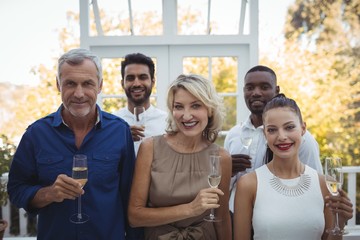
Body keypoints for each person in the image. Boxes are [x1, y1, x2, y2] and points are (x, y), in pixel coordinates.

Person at [7, 48, 142, 239]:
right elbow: (16, 189)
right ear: (58, 85)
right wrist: (49, 193)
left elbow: (130, 196)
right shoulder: (36, 134)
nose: (79, 94)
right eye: (70, 84)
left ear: (100, 85)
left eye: (87, 84)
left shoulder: (120, 131)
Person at [233, 94, 353, 240]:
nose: (282, 136)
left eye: (289, 127)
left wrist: (339, 223)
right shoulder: (249, 184)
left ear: (303, 129)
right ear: (265, 133)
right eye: (272, 130)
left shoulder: (324, 184)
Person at [128, 74, 232, 239]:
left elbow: (221, 217)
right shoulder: (150, 148)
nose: (186, 115)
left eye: (195, 106)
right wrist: (191, 209)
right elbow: (135, 217)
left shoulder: (222, 157)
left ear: (210, 109)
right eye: (179, 107)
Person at [224, 65, 323, 214]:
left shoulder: (300, 139)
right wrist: (227, 171)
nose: (256, 93)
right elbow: (226, 187)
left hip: (280, 218)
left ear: (276, 90)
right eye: (249, 88)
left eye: (264, 87)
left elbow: (316, 186)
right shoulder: (234, 135)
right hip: (237, 218)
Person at [113, 53, 167, 154]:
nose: (136, 83)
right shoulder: (112, 123)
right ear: (122, 83)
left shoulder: (167, 122)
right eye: (130, 78)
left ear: (153, 82)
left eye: (142, 77)